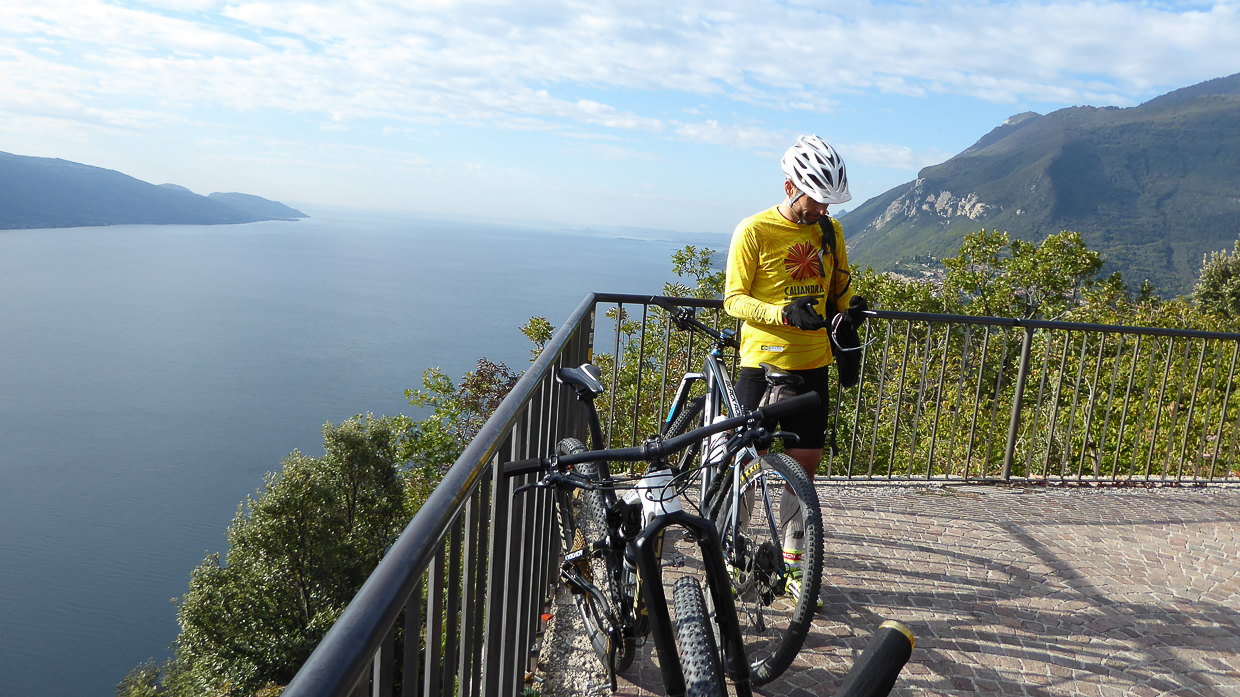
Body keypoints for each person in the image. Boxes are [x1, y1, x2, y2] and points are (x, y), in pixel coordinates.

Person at [723, 134, 868, 601]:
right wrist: (783, 313)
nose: (822, 209)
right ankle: (731, 553)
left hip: (814, 365)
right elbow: (733, 300)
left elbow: (838, 288)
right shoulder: (754, 230)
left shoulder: (830, 230)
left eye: (828, 202)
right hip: (762, 365)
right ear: (789, 187)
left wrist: (850, 309)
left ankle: (793, 567)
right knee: (745, 463)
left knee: (803, 470)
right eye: (815, 199)